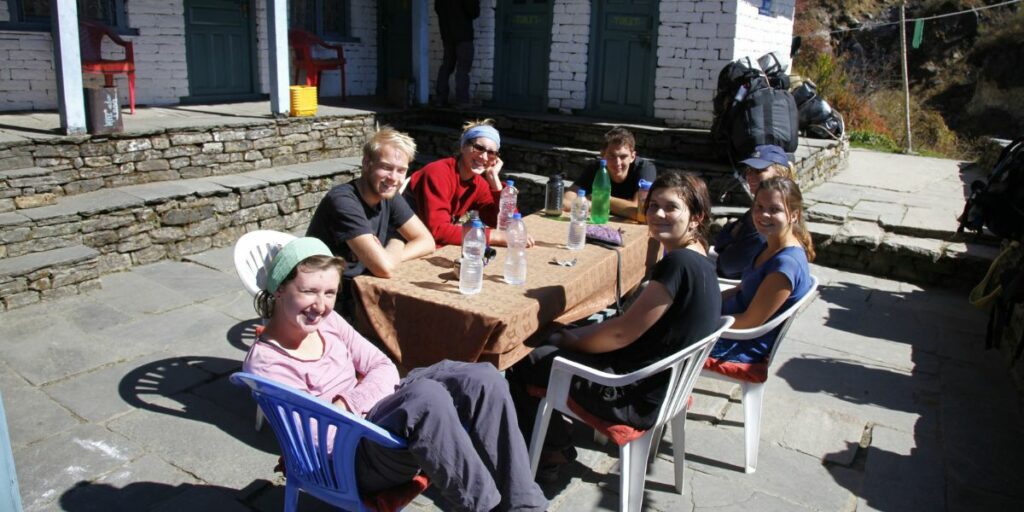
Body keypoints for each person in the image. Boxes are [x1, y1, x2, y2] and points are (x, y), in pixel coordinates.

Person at [243, 237, 548, 512]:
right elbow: (316, 440)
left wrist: (346, 405)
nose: (320, 306)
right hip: (347, 459)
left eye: (329, 293)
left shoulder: (329, 321)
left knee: (482, 378)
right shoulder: (267, 364)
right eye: (308, 291)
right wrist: (363, 405)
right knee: (427, 398)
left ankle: (526, 505)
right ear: (280, 289)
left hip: (368, 416)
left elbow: (383, 366)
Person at [508, 172, 721, 481]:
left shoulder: (678, 265)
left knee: (524, 357)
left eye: (671, 207)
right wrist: (573, 334)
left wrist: (568, 340)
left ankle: (551, 449)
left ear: (696, 217)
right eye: (653, 206)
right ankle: (551, 436)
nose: (658, 214)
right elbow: (628, 326)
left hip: (631, 394)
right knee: (564, 335)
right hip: (661, 383)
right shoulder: (699, 256)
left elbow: (621, 333)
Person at [306, 126, 435, 316]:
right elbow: (383, 269)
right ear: (367, 163)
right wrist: (397, 242)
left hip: (365, 289)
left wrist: (392, 250)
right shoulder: (343, 201)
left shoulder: (390, 196)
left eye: (401, 171)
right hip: (330, 300)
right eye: (386, 167)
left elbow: (427, 241)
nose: (394, 178)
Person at [705, 177, 815, 383]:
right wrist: (704, 303)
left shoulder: (786, 265)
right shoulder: (770, 244)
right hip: (727, 325)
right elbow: (741, 289)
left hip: (739, 344)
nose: (764, 215)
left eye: (774, 210)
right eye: (759, 206)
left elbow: (750, 322)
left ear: (793, 215)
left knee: (662, 337)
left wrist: (699, 321)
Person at [405, 119, 533, 247]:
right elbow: (438, 230)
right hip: (406, 246)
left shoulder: (478, 184)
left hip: (432, 248)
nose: (484, 157)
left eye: (491, 153)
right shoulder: (438, 173)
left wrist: (495, 181)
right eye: (478, 148)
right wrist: (496, 236)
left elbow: (508, 225)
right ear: (463, 147)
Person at [712, 144, 796, 279]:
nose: (750, 176)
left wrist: (733, 235)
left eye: (759, 171)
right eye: (749, 170)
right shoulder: (759, 208)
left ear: (780, 174)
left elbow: (727, 266)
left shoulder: (767, 220)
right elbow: (720, 241)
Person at [561, 126, 658, 219]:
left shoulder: (645, 169)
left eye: (623, 156)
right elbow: (566, 202)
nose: (617, 162)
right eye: (612, 156)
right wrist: (592, 205)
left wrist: (599, 199)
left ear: (632, 156)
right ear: (603, 155)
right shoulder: (595, 168)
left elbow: (640, 211)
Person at [434, 0, 480, 107]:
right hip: (463, 35)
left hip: (447, 34)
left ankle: (440, 98)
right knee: (463, 68)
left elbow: (438, 9)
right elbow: (474, 12)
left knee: (447, 66)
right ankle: (462, 100)